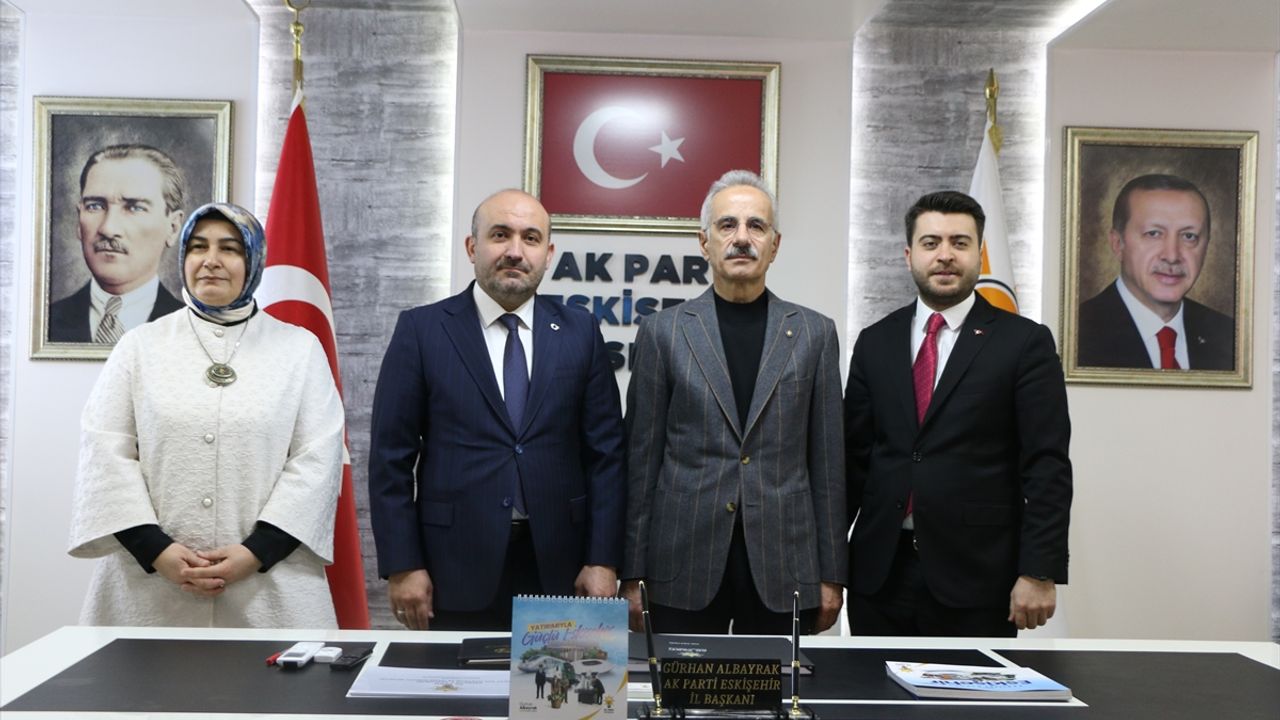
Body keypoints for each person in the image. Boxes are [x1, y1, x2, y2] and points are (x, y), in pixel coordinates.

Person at [67, 202, 345, 628]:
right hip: (150, 584)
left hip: (270, 585)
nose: (210, 260)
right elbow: (105, 453)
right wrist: (155, 550)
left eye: (229, 249)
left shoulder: (299, 348)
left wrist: (256, 552)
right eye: (198, 247)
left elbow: (318, 458)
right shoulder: (140, 346)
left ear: (253, 260)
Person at [368, 188, 625, 631]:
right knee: (455, 679)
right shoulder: (422, 330)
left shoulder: (580, 331)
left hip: (561, 567)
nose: (515, 251)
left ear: (548, 254)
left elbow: (607, 457)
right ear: (472, 247)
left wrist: (603, 559)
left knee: (561, 679)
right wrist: (403, 564)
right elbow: (390, 459)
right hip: (452, 567)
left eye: (530, 238)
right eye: (500, 235)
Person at [621, 170, 846, 635]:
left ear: (774, 245)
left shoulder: (815, 333)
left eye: (756, 226)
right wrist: (631, 571)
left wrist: (832, 575)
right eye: (727, 225)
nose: (741, 238)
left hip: (783, 565)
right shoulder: (663, 332)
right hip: (679, 563)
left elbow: (828, 465)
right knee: (680, 684)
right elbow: (641, 463)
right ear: (704, 242)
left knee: (775, 686)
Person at [844, 190, 1072, 637]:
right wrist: (829, 570)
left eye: (959, 243)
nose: (945, 255)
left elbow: (1047, 464)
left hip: (978, 577)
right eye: (931, 243)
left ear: (979, 254)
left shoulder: (1024, 343)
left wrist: (1039, 570)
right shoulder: (875, 341)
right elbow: (852, 463)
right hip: (879, 576)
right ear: (909, 255)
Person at [1077, 174, 1233, 370]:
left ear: (1206, 246)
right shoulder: (1077, 334)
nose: (1172, 256)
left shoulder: (1229, 336)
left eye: (1189, 236)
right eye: (1153, 234)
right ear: (1118, 244)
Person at [48, 144, 187, 343]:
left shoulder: (192, 329)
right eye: (95, 206)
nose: (108, 228)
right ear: (79, 221)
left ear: (172, 227)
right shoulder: (44, 324)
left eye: (135, 208)